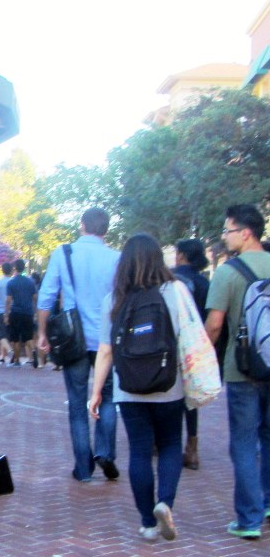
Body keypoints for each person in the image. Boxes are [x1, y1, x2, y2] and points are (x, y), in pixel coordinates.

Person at [89, 233, 188, 543]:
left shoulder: (113, 300)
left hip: (129, 388)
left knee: (140, 451)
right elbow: (190, 339)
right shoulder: (174, 292)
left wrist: (96, 392)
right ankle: (164, 503)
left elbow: (105, 351)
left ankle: (147, 522)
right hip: (169, 385)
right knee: (171, 444)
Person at [37, 207, 120, 482]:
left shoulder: (64, 253)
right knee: (107, 397)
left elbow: (47, 296)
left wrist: (42, 333)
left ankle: (83, 468)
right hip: (107, 340)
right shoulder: (116, 258)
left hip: (74, 340)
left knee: (77, 402)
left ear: (82, 225)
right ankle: (105, 452)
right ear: (105, 230)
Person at [204, 204, 270, 540]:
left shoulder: (229, 272)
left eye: (228, 230)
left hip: (242, 368)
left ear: (246, 232)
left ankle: (249, 519)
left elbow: (214, 326)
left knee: (244, 444)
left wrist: (201, 361)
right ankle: (268, 503)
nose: (224, 237)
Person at [173, 238, 210, 470]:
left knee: (170, 393)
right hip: (196, 344)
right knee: (191, 398)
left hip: (173, 343)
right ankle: (192, 447)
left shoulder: (172, 278)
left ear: (183, 255)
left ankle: (164, 442)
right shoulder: (204, 282)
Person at [5, 259, 37, 367]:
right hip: (28, 312)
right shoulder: (30, 282)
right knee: (28, 337)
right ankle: (33, 350)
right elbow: (35, 297)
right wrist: (35, 311)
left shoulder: (11, 282)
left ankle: (17, 360)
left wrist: (6, 314)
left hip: (16, 312)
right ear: (23, 267)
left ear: (15, 268)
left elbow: (8, 300)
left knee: (15, 338)